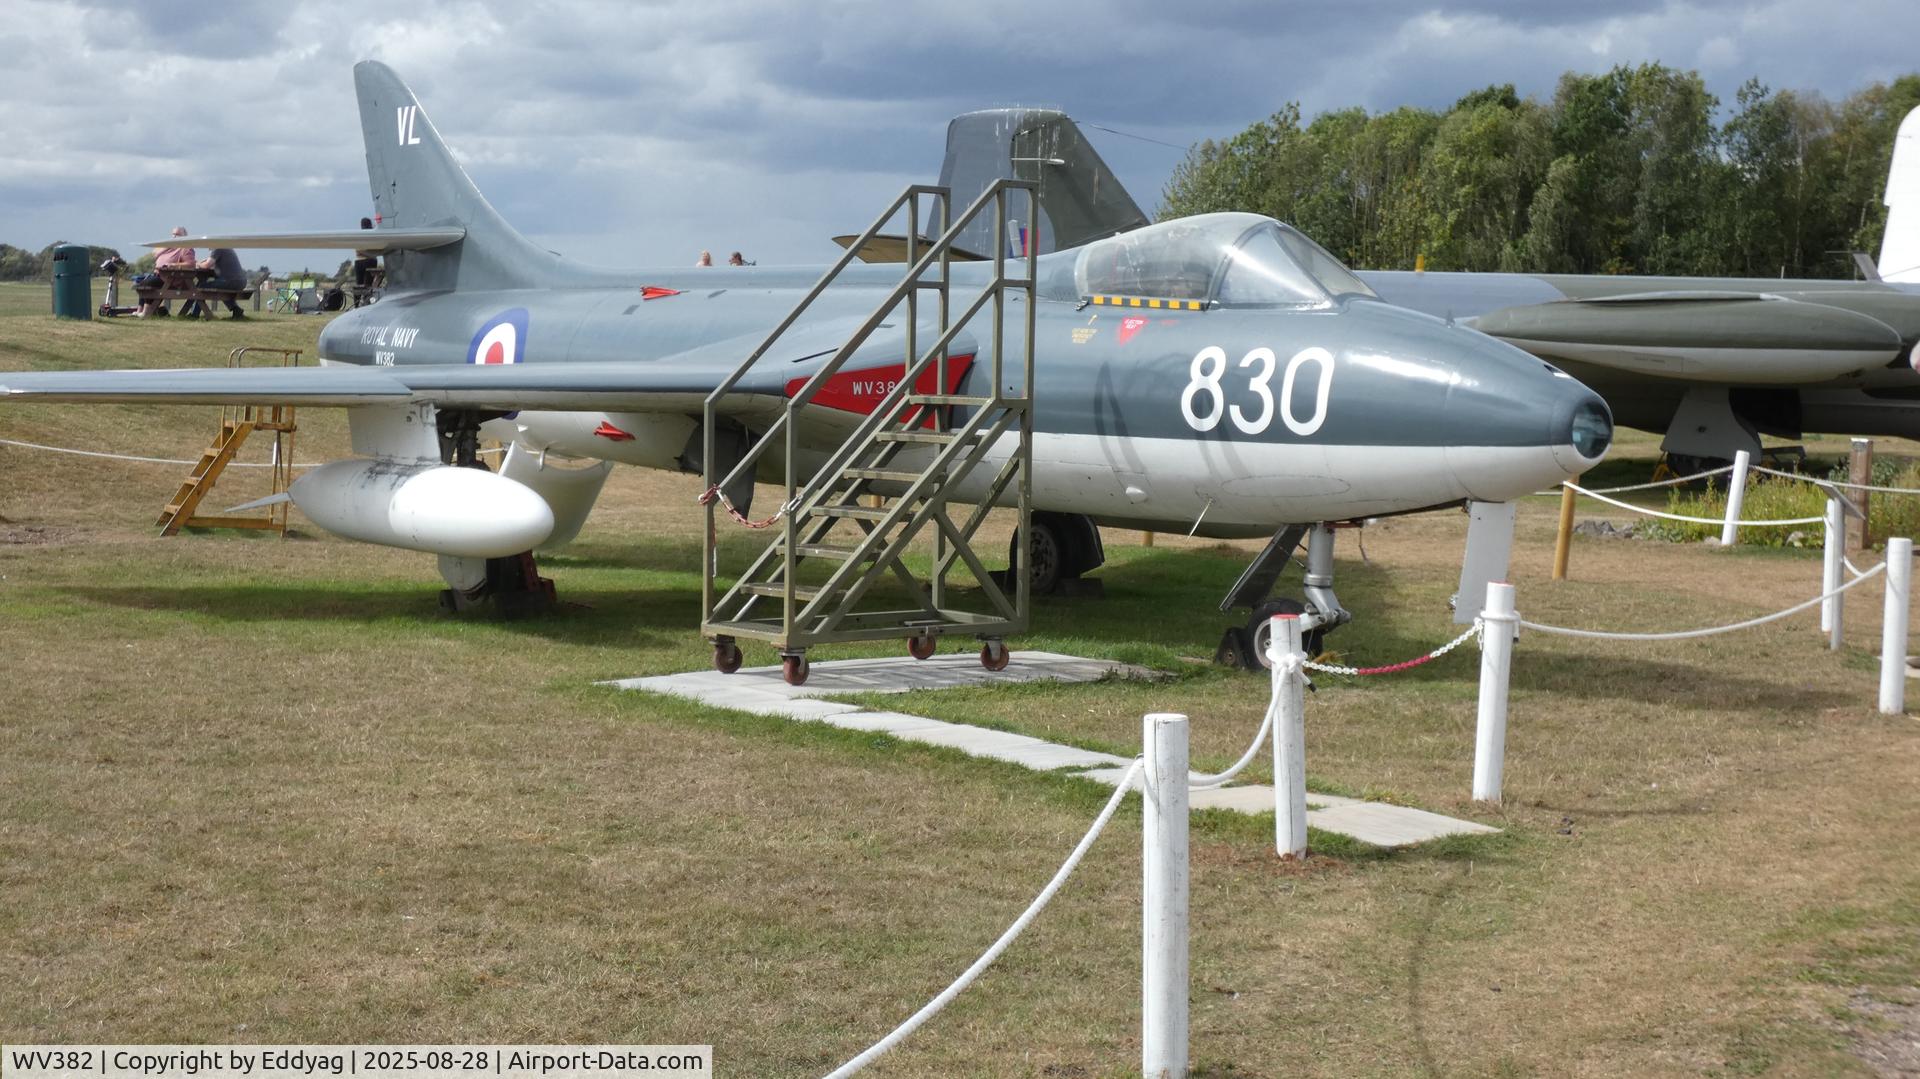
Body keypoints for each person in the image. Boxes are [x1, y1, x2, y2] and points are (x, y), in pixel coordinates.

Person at [137, 226, 195, 317]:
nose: (174, 237)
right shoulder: (166, 246)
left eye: (178, 235)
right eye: (173, 234)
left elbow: (190, 264)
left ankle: (146, 312)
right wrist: (165, 248)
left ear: (184, 236)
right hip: (159, 276)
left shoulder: (185, 248)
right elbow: (152, 257)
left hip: (172, 280)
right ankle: (139, 310)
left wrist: (174, 265)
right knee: (141, 283)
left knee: (145, 284)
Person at [196, 247, 249, 319]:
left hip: (232, 281)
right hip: (240, 281)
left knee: (201, 286)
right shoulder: (225, 247)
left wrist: (197, 264)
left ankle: (195, 314)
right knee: (221, 288)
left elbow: (206, 265)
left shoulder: (217, 248)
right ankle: (236, 310)